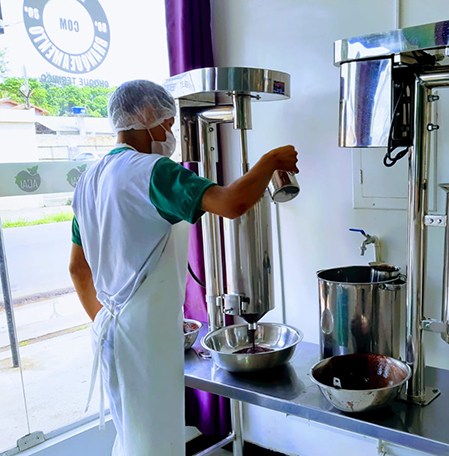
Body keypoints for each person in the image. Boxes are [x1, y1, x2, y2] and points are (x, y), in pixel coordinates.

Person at [68, 79, 298, 456]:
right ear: (145, 116)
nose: (171, 133)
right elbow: (231, 203)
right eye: (168, 123)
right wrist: (270, 161)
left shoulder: (88, 181)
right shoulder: (153, 172)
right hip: (145, 339)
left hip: (109, 333)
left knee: (131, 437)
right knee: (156, 443)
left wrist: (109, 321)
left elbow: (79, 269)